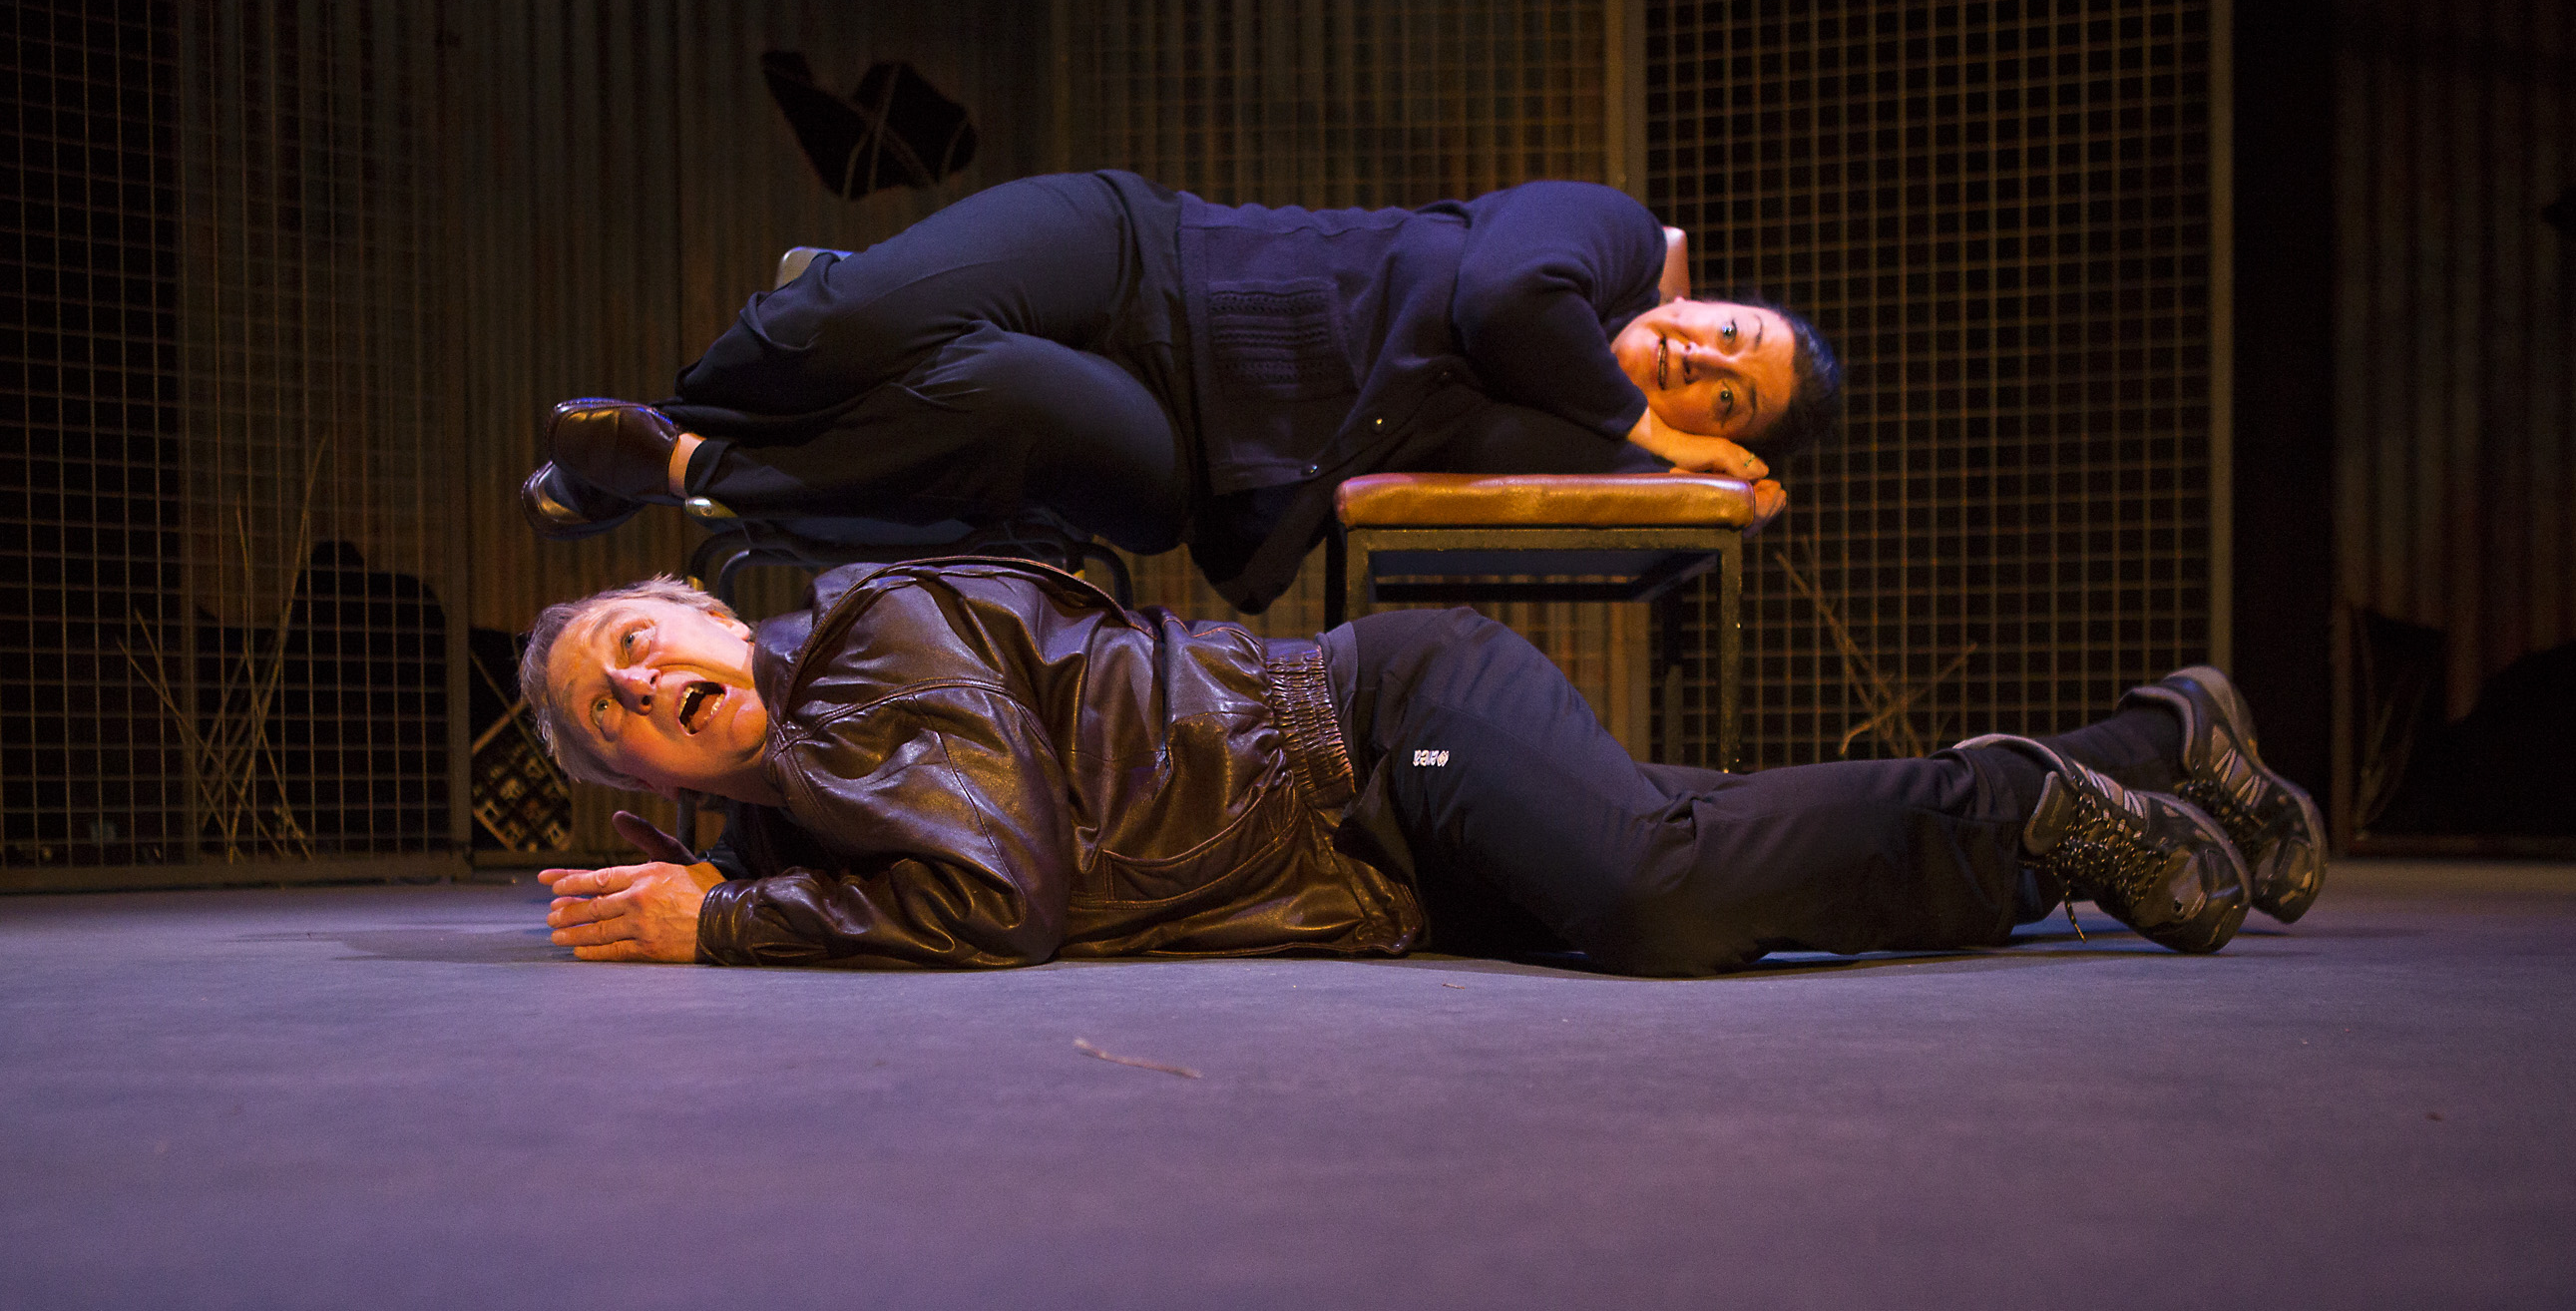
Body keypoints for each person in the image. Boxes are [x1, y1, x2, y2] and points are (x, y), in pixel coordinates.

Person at [519, 559, 2325, 973]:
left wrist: (721, 928)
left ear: (706, 607)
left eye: (642, 637)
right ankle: (2157, 753)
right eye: (615, 701)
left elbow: (999, 895)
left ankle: (2025, 806)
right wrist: (732, 893)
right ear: (636, 775)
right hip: (1366, 863)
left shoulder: (870, 634)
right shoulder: (803, 824)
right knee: (1711, 841)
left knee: (1651, 891)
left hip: (1378, 723)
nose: (650, 680)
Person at [520, 172, 1844, 613]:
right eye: (1730, 332)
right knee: (862, 316)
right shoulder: (1608, 236)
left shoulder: (1583, 432)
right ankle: (680, 436)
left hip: (1182, 453)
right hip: (1147, 250)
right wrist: (1647, 428)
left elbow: (1631, 507)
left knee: (992, 392)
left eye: (1733, 398)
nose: (1708, 361)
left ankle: (688, 468)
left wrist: (1686, 471)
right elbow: (1505, 298)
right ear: (1700, 295)